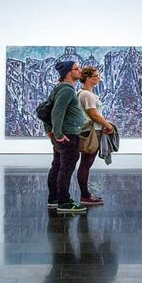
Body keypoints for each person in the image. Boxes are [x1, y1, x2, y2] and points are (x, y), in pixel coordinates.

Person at [45, 61, 87, 214]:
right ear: (68, 72)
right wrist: (58, 134)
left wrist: (50, 130)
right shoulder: (67, 90)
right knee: (66, 167)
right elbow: (56, 112)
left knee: (57, 165)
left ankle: (54, 199)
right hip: (67, 136)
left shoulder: (59, 88)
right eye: (77, 69)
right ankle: (64, 202)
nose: (80, 71)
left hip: (63, 135)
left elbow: (47, 109)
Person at [76, 66, 115, 205]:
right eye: (95, 76)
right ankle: (85, 196)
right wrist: (108, 125)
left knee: (85, 164)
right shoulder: (87, 95)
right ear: (87, 78)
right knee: (86, 164)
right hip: (92, 132)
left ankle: (85, 195)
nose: (98, 78)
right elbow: (93, 114)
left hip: (92, 130)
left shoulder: (83, 93)